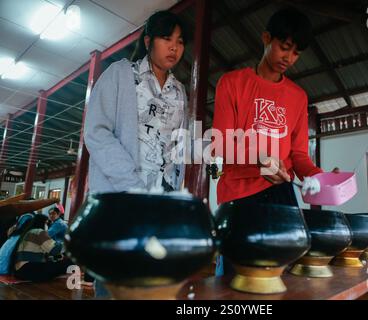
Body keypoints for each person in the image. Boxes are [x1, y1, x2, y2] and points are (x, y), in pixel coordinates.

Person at [211, 7, 339, 275]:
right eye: (284, 47)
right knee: (237, 278)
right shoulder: (232, 83)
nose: (289, 58)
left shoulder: (298, 96)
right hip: (239, 192)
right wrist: (261, 160)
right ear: (266, 38)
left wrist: (321, 178)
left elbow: (300, 156)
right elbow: (222, 143)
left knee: (282, 279)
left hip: (282, 195)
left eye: (296, 53)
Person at [84, 10, 188, 297]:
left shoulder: (179, 92)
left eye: (180, 41)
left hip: (159, 208)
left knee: (152, 284)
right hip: (119, 201)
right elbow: (96, 132)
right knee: (114, 283)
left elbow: (179, 148)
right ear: (147, 41)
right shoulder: (119, 75)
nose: (174, 47)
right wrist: (131, 185)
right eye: (166, 38)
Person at [11, 214, 72, 282]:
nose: (48, 226)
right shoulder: (39, 231)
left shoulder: (28, 232)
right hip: (28, 269)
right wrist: (69, 244)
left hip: (19, 271)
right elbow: (54, 249)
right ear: (43, 222)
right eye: (47, 223)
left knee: (54, 265)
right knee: (68, 263)